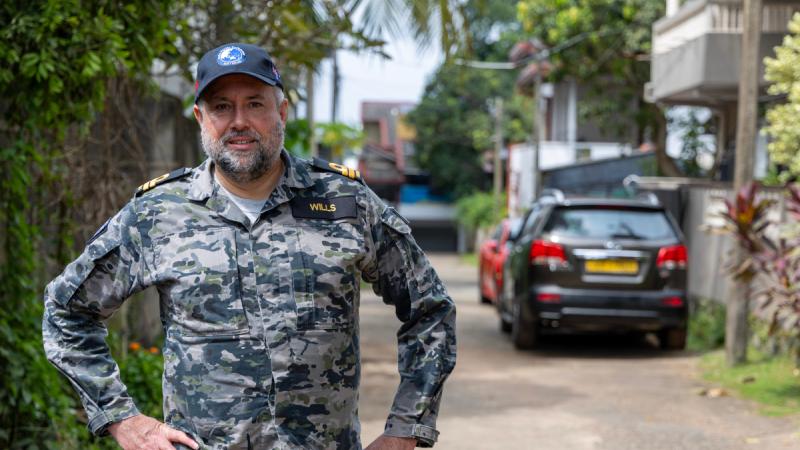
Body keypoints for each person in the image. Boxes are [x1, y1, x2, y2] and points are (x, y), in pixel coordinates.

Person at [42, 42, 456, 450]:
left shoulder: (347, 203)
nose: (239, 121)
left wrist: (406, 429)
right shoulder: (158, 213)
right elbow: (66, 311)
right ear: (201, 118)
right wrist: (122, 418)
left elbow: (431, 311)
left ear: (281, 112)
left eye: (255, 104)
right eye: (222, 106)